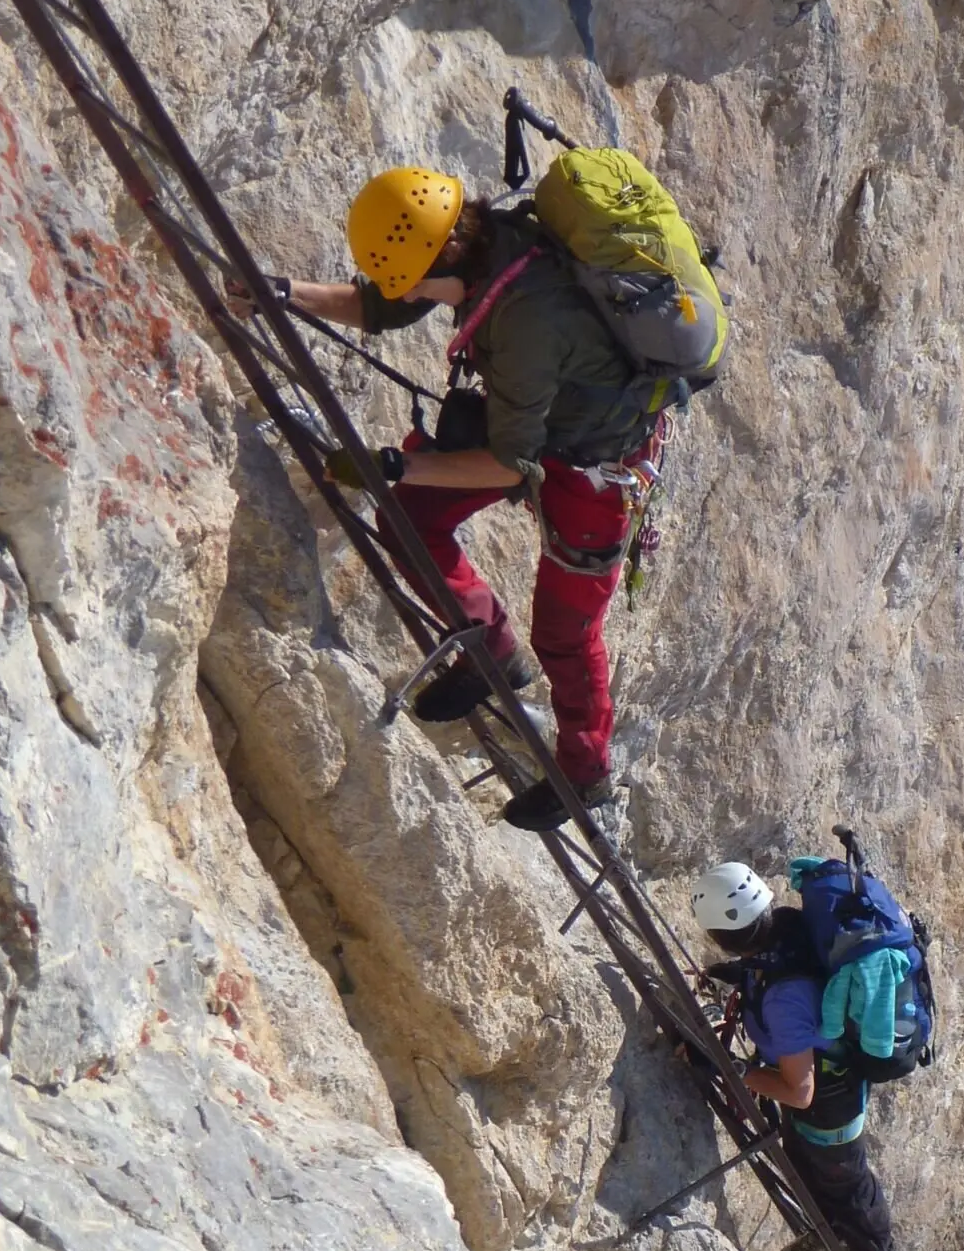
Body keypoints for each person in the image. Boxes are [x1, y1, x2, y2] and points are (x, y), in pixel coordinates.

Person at [242, 165, 660, 830]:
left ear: (437, 257)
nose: (407, 290)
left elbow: (503, 466)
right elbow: (384, 303)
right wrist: (289, 294)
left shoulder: (526, 317)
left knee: (567, 633)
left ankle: (587, 775)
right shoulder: (478, 246)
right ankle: (488, 646)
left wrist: (394, 463)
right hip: (540, 426)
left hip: (595, 469)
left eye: (410, 278)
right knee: (411, 516)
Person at [691, 859, 899, 1251]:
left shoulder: (786, 998)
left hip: (827, 1106)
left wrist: (733, 1069)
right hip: (825, 1095)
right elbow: (769, 968)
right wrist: (734, 975)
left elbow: (799, 1090)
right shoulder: (784, 930)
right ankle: (830, 1232)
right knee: (808, 1169)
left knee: (845, 1183)